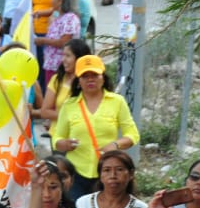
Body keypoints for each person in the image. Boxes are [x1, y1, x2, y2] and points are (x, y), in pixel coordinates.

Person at [51, 55, 139, 200]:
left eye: (95, 75)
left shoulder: (117, 102)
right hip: (76, 173)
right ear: (78, 81)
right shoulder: (69, 105)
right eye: (85, 76)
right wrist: (64, 144)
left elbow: (133, 135)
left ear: (103, 78)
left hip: (106, 173)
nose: (90, 79)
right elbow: (57, 137)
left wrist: (115, 145)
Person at [74, 150, 147, 208]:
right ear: (100, 175)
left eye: (119, 169)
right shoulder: (83, 203)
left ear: (131, 174)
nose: (113, 175)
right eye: (107, 170)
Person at [33, 38, 90, 124]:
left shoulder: (90, 81)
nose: (63, 60)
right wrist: (73, 117)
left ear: (80, 58)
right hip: (58, 134)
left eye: (68, 56)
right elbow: (45, 111)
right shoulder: (57, 80)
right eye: (63, 55)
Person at [35, 0, 80, 85]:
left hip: (61, 66)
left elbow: (65, 42)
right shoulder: (60, 17)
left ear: (60, 1)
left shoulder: (70, 19)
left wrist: (43, 41)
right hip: (52, 65)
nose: (51, 1)